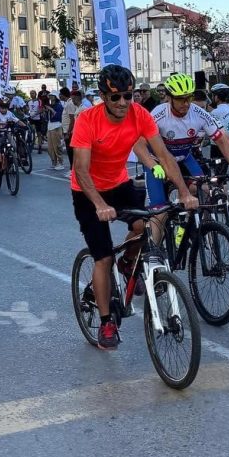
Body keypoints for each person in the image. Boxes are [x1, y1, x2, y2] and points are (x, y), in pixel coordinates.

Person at [69, 64, 198, 351]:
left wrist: (182, 192)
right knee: (102, 258)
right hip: (88, 190)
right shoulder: (87, 120)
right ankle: (106, 322)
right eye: (116, 97)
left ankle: (128, 263)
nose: (123, 103)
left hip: (119, 183)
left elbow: (163, 154)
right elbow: (80, 169)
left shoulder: (139, 115)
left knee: (143, 227)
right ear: (104, 96)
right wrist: (100, 204)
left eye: (128, 95)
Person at [140, 74, 229, 216]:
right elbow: (141, 143)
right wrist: (153, 165)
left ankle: (194, 227)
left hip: (184, 157)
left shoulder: (199, 113)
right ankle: (155, 237)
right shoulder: (158, 115)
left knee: (204, 188)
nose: (185, 103)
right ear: (169, 98)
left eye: (188, 98)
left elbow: (221, 138)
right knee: (160, 213)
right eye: (180, 99)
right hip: (158, 161)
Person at [209, 84, 229, 160]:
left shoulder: (215, 112)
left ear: (218, 96)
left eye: (213, 95)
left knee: (216, 169)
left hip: (217, 145)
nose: (212, 97)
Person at [62, 88, 86, 175]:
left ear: (77, 98)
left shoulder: (83, 108)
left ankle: (77, 171)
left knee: (78, 154)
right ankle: (75, 171)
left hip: (81, 134)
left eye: (73, 99)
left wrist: (69, 133)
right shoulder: (78, 108)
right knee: (74, 153)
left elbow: (82, 123)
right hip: (76, 133)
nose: (72, 101)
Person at [44, 94, 65, 170]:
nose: (50, 97)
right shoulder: (50, 105)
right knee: (50, 147)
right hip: (50, 126)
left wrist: (51, 109)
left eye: (52, 96)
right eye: (50, 96)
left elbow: (59, 116)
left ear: (55, 97)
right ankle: (54, 162)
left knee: (57, 146)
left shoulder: (58, 106)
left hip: (56, 126)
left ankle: (61, 163)